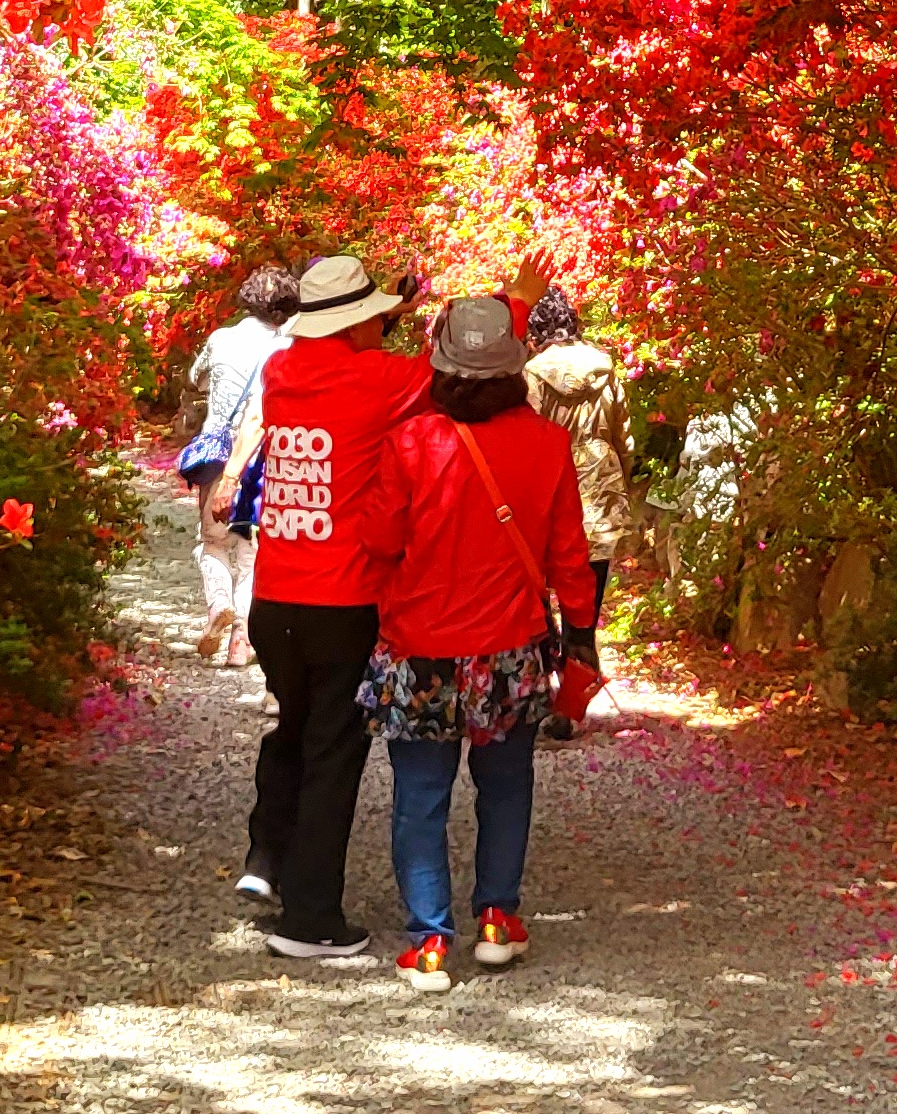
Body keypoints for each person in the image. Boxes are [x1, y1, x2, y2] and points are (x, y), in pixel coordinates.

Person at [239, 246, 550, 957]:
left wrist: (393, 306)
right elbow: (463, 371)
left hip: (274, 594)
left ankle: (266, 861)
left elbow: (348, 349)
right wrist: (516, 304)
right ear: (357, 328)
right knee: (333, 751)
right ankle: (311, 919)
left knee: (293, 727)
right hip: (339, 597)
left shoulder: (283, 371)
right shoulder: (382, 381)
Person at [345, 294, 599, 991]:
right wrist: (581, 629)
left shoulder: (411, 442)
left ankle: (429, 942)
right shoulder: (547, 445)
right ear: (516, 367)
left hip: (419, 646)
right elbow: (568, 555)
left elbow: (380, 540)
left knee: (420, 797)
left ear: (440, 363)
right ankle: (497, 920)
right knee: (507, 786)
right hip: (510, 647)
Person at [522, 288, 641, 739]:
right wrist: (619, 484)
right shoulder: (606, 368)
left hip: (552, 493)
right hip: (601, 491)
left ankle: (537, 698)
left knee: (537, 606)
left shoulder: (531, 374)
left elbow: (528, 435)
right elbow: (623, 438)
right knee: (584, 610)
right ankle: (570, 711)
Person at [180, 266, 291, 667]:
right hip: (265, 455)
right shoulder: (289, 346)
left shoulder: (220, 339)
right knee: (250, 551)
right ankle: (241, 643)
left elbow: (196, 378)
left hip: (218, 452)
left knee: (212, 541)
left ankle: (217, 608)